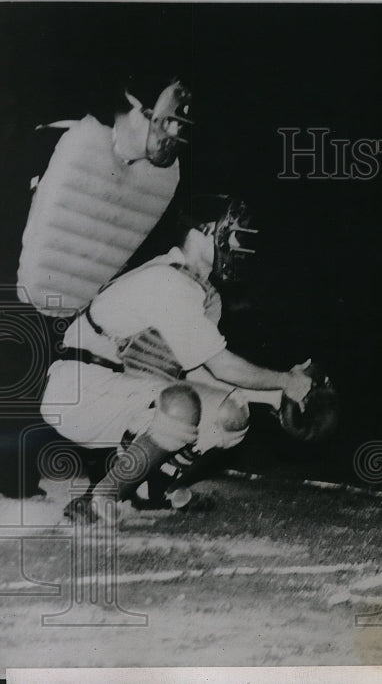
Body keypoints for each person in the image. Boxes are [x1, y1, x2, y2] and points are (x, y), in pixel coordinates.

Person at [41, 196, 315, 520]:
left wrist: (273, 396)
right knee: (182, 404)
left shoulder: (198, 290)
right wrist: (286, 380)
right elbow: (221, 365)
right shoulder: (170, 282)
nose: (241, 245)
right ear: (204, 231)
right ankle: (98, 499)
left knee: (231, 412)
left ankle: (150, 489)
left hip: (119, 386)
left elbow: (196, 372)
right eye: (237, 233)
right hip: (79, 391)